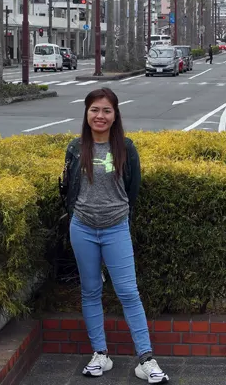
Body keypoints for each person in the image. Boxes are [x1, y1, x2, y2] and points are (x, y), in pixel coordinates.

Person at [60, 88, 169, 383]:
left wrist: (118, 214)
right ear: (86, 113)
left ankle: (146, 359)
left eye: (107, 110)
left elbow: (133, 190)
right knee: (91, 290)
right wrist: (77, 216)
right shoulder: (75, 148)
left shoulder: (126, 148)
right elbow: (69, 189)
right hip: (82, 227)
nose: (100, 116)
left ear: (115, 115)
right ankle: (100, 354)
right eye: (95, 109)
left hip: (116, 227)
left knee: (128, 292)